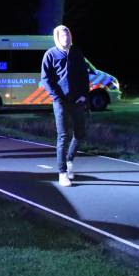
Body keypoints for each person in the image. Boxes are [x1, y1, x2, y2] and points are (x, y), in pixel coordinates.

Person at [41, 24, 89, 187]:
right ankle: (62, 173)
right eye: (62, 36)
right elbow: (45, 79)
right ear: (57, 38)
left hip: (77, 101)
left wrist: (84, 95)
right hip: (61, 102)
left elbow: (84, 75)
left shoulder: (77, 53)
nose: (66, 38)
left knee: (80, 134)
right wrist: (57, 97)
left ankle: (69, 161)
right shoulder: (50, 55)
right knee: (63, 136)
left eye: (67, 35)